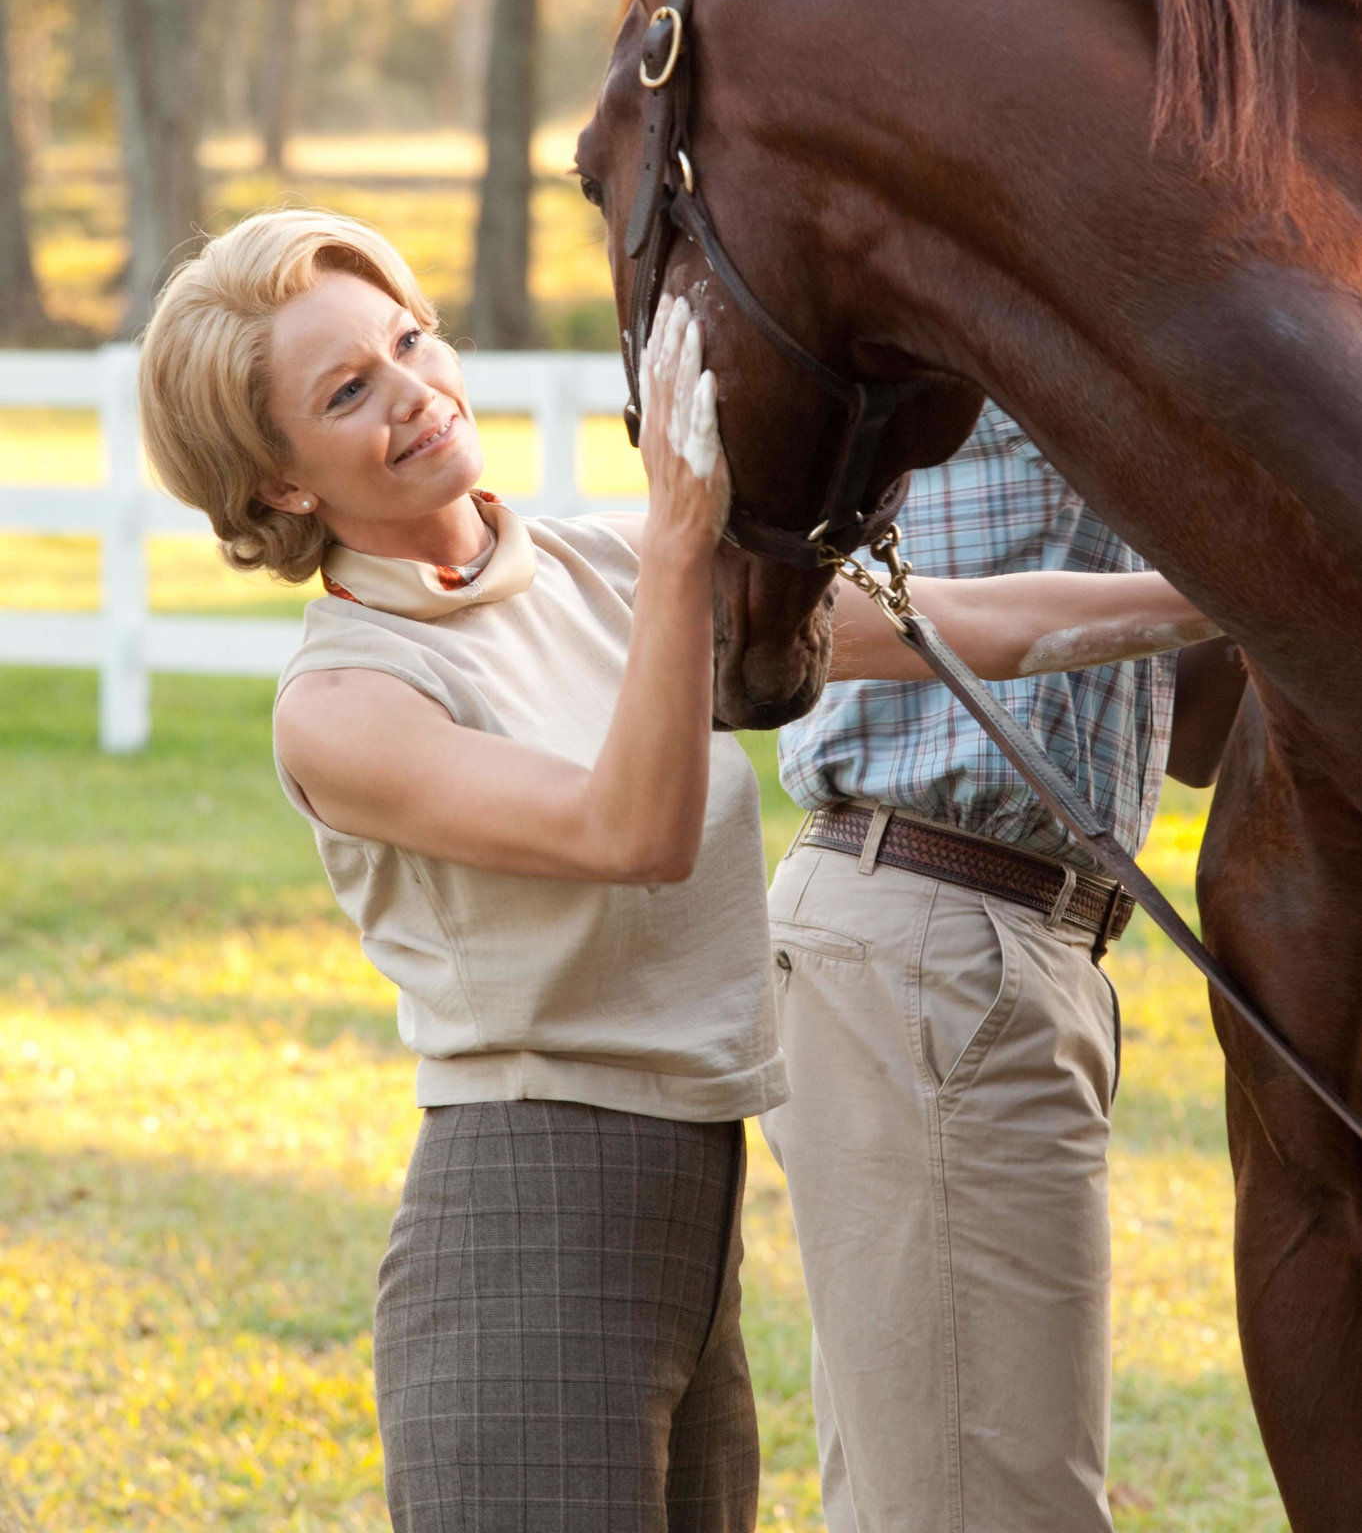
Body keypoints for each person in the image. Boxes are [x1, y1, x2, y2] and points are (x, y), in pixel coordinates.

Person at [136, 213, 1220, 1533]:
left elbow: (970, 627)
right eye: (349, 391)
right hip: (526, 1209)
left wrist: (1245, 592)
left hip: (693, 1199)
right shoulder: (346, 700)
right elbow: (628, 835)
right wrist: (675, 540)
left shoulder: (592, 567)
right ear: (281, 487)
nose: (417, 393)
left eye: (409, 341)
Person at [764, 398, 1246, 1533]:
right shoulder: (973, 317)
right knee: (987, 1505)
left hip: (1006, 934)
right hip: (941, 922)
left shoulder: (1132, 349)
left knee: (933, 1487)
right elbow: (798, 599)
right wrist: (1252, 580)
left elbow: (1191, 739)